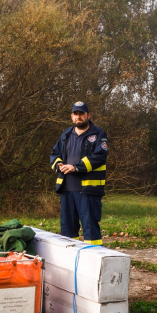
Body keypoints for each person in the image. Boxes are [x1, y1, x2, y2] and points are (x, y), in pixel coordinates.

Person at [49, 101, 108, 244]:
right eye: (76, 114)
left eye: (82, 114)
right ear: (71, 116)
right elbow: (54, 154)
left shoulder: (98, 134)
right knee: (67, 232)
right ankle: (70, 262)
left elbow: (99, 157)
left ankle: (93, 262)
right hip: (67, 189)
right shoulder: (66, 135)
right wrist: (59, 165)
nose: (79, 117)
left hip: (88, 190)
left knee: (91, 230)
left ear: (88, 115)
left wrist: (76, 167)